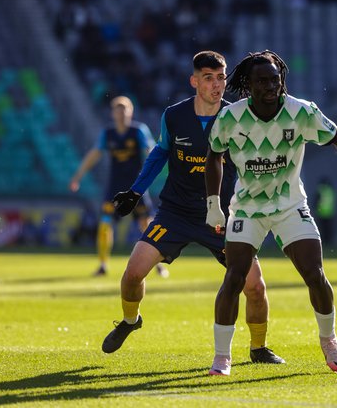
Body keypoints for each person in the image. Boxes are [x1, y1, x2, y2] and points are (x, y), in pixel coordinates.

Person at [103, 51, 284, 365]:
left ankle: (259, 348)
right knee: (132, 274)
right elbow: (160, 154)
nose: (217, 85)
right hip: (175, 213)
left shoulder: (240, 117)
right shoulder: (174, 116)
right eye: (209, 78)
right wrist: (136, 192)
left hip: (222, 217)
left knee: (254, 286)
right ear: (194, 81)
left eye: (221, 77)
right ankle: (131, 321)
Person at [205, 50, 337, 376]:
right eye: (263, 81)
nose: (271, 86)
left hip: (289, 206)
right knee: (234, 277)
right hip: (248, 208)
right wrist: (213, 204)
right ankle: (222, 357)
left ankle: (328, 339)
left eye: (275, 79)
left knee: (315, 273)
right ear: (249, 85)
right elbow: (214, 155)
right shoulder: (231, 118)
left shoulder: (301, 112)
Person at [69, 96, 169, 278]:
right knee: (105, 225)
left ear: (131, 112)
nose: (121, 113)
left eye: (125, 109)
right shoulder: (107, 134)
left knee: (147, 226)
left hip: (136, 188)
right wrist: (78, 176)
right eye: (118, 109)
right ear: (113, 113)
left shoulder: (139, 131)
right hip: (114, 189)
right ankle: (102, 264)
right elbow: (94, 154)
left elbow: (151, 151)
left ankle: (158, 265)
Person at [314, 177, 337, 245]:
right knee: (328, 229)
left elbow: (316, 201)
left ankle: (323, 242)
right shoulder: (331, 190)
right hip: (330, 213)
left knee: (322, 229)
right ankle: (329, 242)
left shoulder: (320, 190)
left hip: (321, 212)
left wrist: (315, 209)